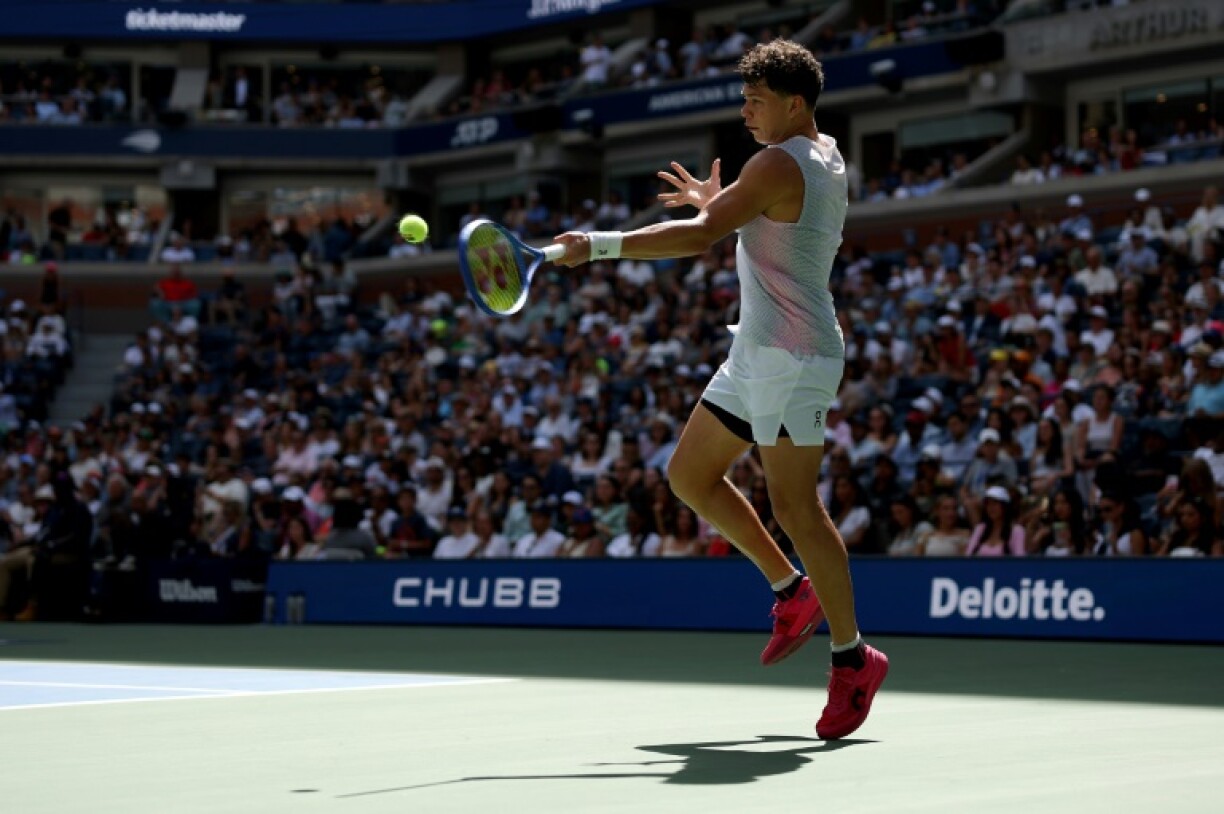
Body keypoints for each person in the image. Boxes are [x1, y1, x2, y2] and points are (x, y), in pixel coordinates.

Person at [553, 39, 886, 740]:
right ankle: (791, 590)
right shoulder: (823, 153)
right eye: (744, 99)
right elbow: (753, 218)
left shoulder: (774, 161)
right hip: (756, 352)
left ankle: (854, 659)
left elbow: (701, 238)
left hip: (793, 358)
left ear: (794, 103)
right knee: (690, 476)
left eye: (756, 101)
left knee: (797, 507)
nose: (746, 113)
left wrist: (600, 245)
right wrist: (723, 202)